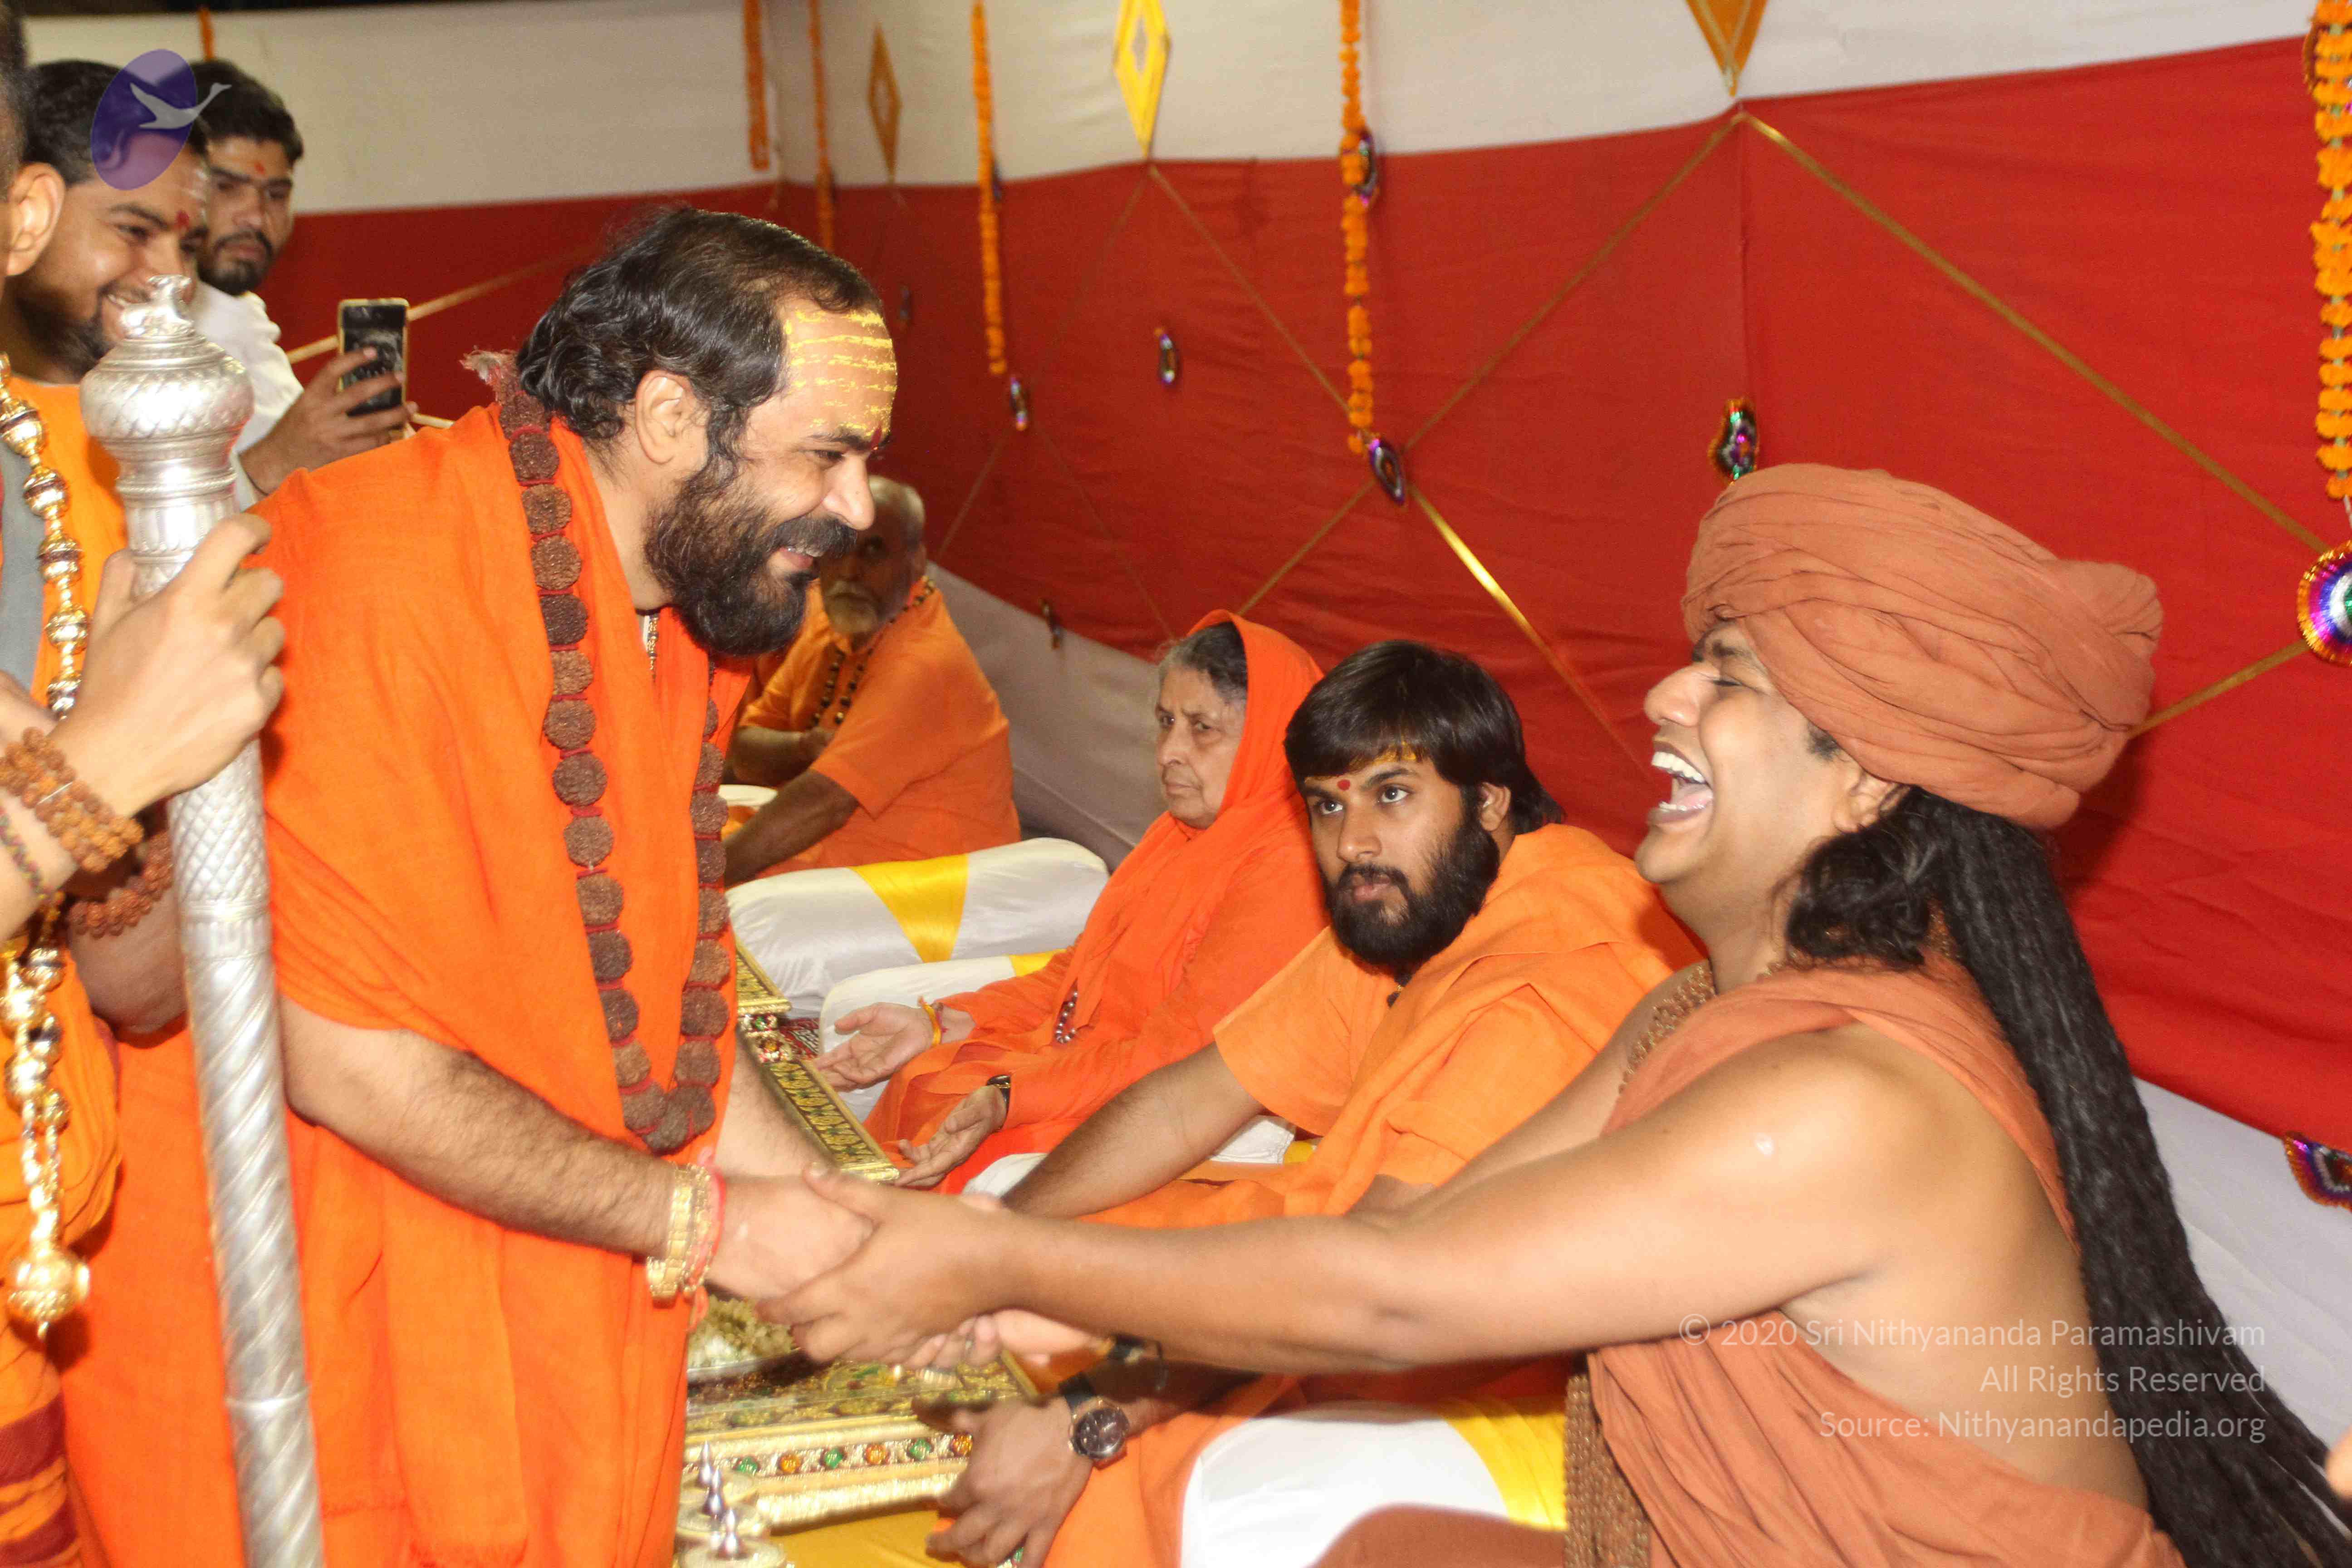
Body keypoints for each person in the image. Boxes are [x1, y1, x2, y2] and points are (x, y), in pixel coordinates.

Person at [781, 467, 2352, 1568]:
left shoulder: (1845, 1099)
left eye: (1726, 676)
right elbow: (1424, 1230)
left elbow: (1394, 1297)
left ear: (1868, 776)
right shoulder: (1696, 1012)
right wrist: (1102, 1381)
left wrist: (996, 1257)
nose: (1663, 697)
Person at [64, 207, 897, 1568]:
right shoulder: (376, 575)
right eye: (827, 454)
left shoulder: (682, 610)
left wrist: (853, 1223)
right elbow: (349, 1060)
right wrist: (709, 1220)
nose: (856, 509)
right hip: (296, 1324)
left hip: (513, 1269)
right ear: (670, 419)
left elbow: (664, 997)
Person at [783, 640, 1694, 1568]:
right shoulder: (1417, 906)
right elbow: (1189, 1101)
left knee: (1145, 1455)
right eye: (1328, 805)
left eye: (1392, 795)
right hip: (1352, 1251)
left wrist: (1091, 1415)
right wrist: (991, 1249)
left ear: (1490, 802)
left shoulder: (1545, 980)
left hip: (1469, 1342)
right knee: (1065, 1253)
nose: (1353, 842)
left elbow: (1374, 1287)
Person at [0, 13, 286, 1563]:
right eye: (135, 229)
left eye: (181, 235)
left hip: (53, 1198)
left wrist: (146, 828)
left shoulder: (92, 479)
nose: (166, 274)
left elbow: (141, 979)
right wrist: (100, 770)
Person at [825, 611, 1327, 1191]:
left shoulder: (1287, 868)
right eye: (1166, 721)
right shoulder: (1179, 832)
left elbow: (1178, 1061)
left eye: (1202, 728)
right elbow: (1078, 975)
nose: (1169, 751)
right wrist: (942, 1022)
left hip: (1158, 1109)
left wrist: (1012, 1095)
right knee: (928, 1071)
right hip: (1090, 1064)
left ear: (1274, 735)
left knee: (972, 1131)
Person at [721, 474, 1017, 880]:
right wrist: (807, 746)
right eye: (839, 550)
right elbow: (744, 755)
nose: (850, 571)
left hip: (926, 886)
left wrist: (703, 881)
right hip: (834, 852)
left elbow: (824, 802)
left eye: (874, 552)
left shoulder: (924, 664)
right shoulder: (832, 626)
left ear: (916, 563)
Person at [188, 57, 403, 507]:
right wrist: (274, 462)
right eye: (226, 187)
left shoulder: (247, 325)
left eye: (276, 194)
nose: (255, 216)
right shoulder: (120, 337)